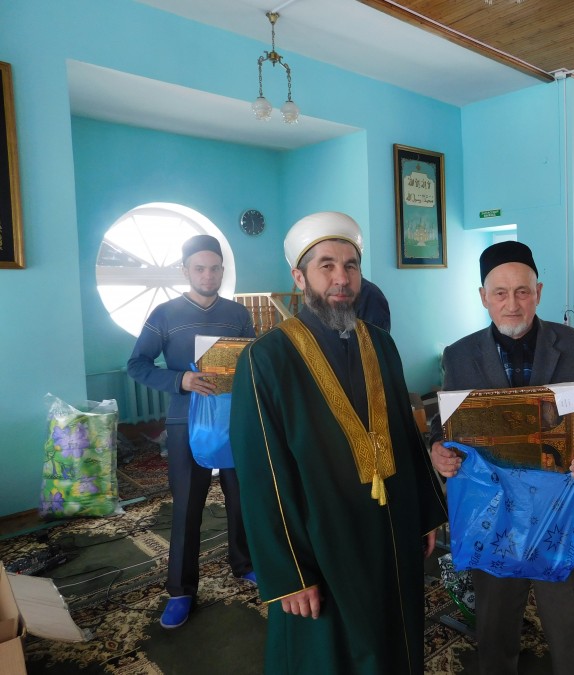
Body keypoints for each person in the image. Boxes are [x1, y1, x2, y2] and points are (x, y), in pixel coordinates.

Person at [229, 211, 447, 675]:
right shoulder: (265, 358)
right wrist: (289, 571)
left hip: (390, 527)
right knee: (330, 654)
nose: (341, 278)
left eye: (350, 266)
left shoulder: (381, 343)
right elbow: (261, 475)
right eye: (326, 265)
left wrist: (425, 513)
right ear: (300, 277)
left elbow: (405, 435)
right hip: (322, 541)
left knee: (394, 639)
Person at [429, 240, 574, 675]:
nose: (512, 305)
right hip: (492, 514)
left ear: (539, 292)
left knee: (572, 620)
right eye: (500, 293)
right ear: (483, 297)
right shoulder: (460, 355)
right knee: (494, 621)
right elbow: (444, 426)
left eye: (523, 292)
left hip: (557, 510)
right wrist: (438, 449)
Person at [127, 234, 256, 629]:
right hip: (185, 421)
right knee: (187, 505)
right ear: (185, 270)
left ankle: (245, 564)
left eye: (215, 268)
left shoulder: (237, 314)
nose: (208, 275)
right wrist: (180, 380)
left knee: (242, 499)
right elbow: (137, 364)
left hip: (232, 420)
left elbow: (251, 361)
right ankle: (181, 590)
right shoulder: (165, 314)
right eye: (200, 268)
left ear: (222, 270)